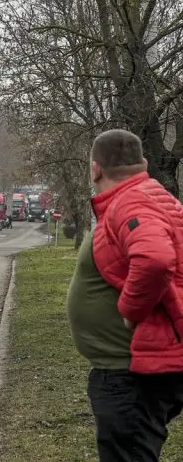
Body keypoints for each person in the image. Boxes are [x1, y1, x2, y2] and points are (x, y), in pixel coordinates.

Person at [66, 129, 183, 462]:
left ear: (95, 169)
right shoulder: (147, 197)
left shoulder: (130, 202)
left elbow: (156, 260)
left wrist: (130, 309)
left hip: (129, 374)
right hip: (134, 369)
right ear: (143, 163)